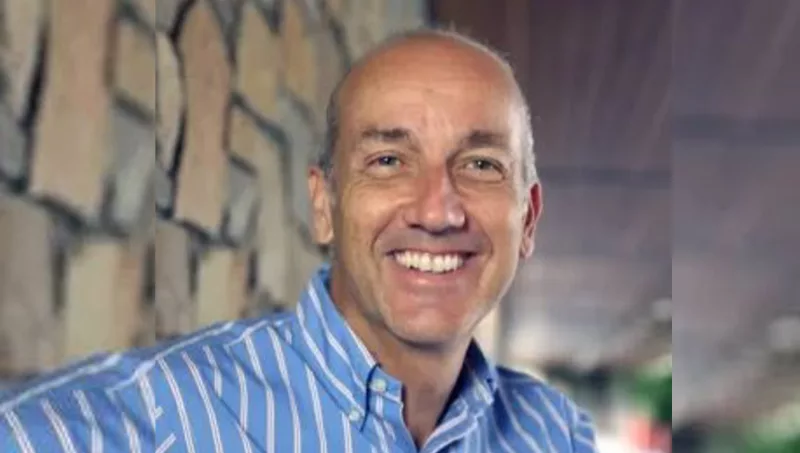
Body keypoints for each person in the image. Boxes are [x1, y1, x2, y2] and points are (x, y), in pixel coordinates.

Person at [0, 28, 599, 452]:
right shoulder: (119, 428)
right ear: (323, 206)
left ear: (528, 220)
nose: (437, 210)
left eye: (481, 165)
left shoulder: (555, 434)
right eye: (388, 161)